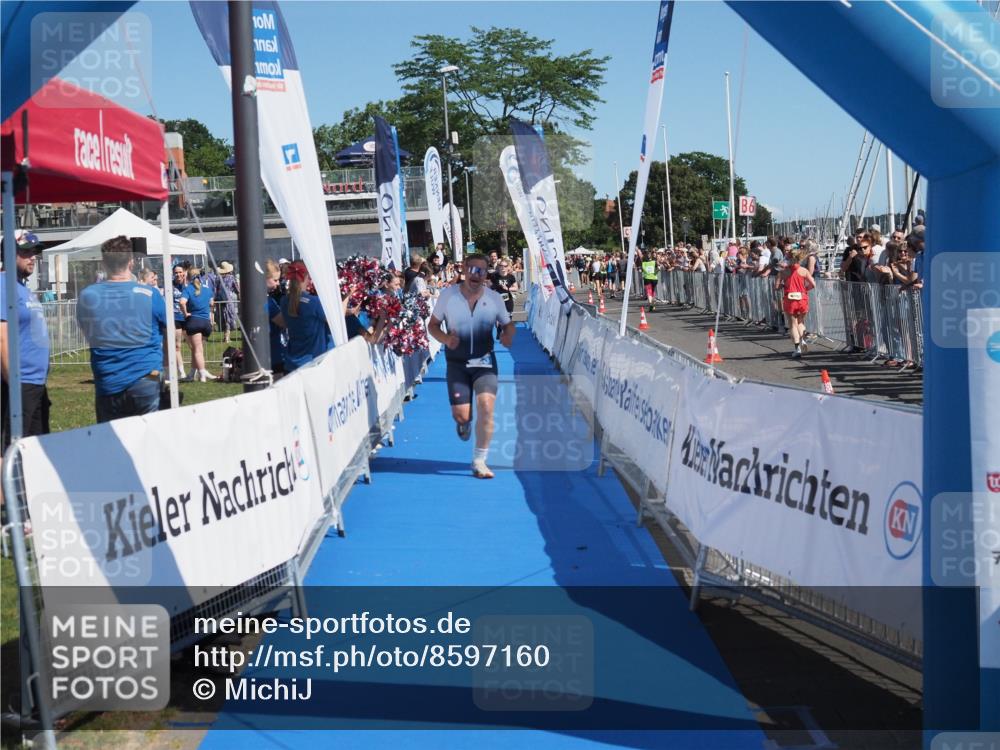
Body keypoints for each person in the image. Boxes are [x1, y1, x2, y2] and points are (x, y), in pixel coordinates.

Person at [428, 254, 514, 479]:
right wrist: (446, 339)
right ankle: (464, 422)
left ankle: (479, 461)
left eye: (482, 270)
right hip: (457, 364)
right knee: (461, 415)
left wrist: (507, 335)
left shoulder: (495, 298)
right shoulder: (448, 295)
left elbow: (508, 324)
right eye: (473, 269)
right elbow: (433, 326)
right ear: (465, 269)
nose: (477, 274)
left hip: (485, 362)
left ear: (487, 274)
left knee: (486, 407)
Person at [76, 235, 167, 422]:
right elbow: (171, 332)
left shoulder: (88, 295)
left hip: (108, 379)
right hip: (147, 377)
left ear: (103, 263)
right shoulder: (151, 294)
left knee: (112, 446)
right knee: (151, 441)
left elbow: (88, 332)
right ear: (131, 263)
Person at [1, 230, 50, 452]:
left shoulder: (22, 287)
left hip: (35, 384)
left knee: (35, 451)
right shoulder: (4, 285)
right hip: (20, 384)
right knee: (10, 451)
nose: (32, 256)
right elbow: (2, 338)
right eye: (25, 252)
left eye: (34, 251)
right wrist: (14, 383)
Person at [279, 261, 332, 371]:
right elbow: (334, 320)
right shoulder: (314, 302)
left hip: (291, 364)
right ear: (306, 276)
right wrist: (348, 295)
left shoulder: (284, 301)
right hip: (311, 364)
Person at [179, 267, 216, 381]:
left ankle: (202, 375)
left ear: (188, 277)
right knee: (197, 350)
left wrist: (185, 313)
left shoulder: (188, 289)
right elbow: (211, 303)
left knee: (197, 350)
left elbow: (182, 302)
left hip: (194, 321)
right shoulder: (207, 289)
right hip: (206, 323)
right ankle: (191, 374)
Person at [779, 247, 816, 359]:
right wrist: (805, 289)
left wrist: (782, 285)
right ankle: (803, 340)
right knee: (800, 322)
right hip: (802, 298)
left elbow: (777, 286)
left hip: (790, 299)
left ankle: (797, 348)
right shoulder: (804, 271)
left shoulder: (784, 271)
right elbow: (813, 284)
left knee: (792, 324)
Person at [265, 259, 287, 375]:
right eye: (275, 280)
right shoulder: (267, 302)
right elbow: (284, 322)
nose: (278, 283)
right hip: (273, 356)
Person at [169, 264, 188, 380]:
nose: (178, 274)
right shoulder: (170, 285)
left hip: (189, 317)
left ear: (184, 272)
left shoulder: (189, 284)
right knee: (177, 346)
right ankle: (182, 372)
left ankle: (195, 371)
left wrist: (185, 282)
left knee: (194, 346)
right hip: (176, 317)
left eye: (180, 272)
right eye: (176, 272)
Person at [215, 261, 240, 344]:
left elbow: (216, 289)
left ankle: (225, 336)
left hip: (219, 300)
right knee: (228, 318)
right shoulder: (232, 278)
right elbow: (237, 289)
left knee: (223, 317)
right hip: (228, 300)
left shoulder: (217, 278)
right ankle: (227, 337)